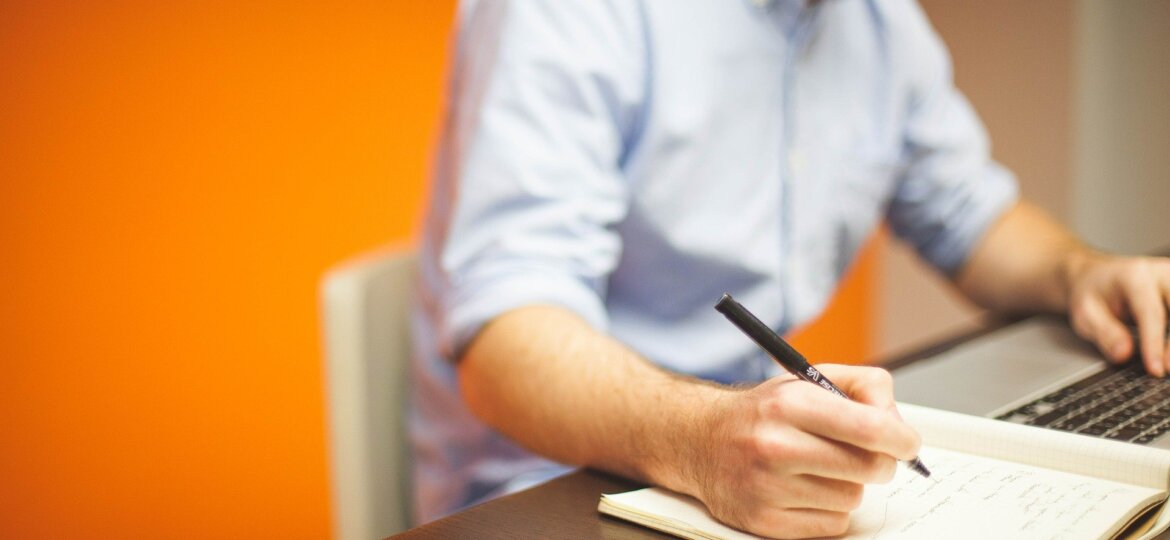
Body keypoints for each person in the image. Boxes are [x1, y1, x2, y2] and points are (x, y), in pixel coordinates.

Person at [408, 0, 1170, 537]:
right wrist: (704, 440)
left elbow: (968, 214)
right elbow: (504, 343)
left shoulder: (877, 23)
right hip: (551, 492)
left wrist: (1080, 273)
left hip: (747, 462)